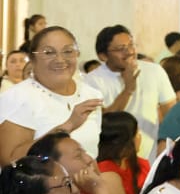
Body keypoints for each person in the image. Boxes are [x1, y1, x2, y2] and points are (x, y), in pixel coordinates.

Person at [0, 26, 104, 165]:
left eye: (68, 51)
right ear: (32, 58)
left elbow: (92, 152)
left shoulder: (91, 94)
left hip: (85, 184)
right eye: (49, 53)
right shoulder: (18, 97)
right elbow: (9, 160)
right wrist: (67, 126)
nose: (60, 59)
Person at [87, 27, 176, 146]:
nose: (129, 52)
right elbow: (103, 123)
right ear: (103, 56)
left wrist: (164, 143)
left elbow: (171, 115)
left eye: (131, 45)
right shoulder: (91, 81)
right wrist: (128, 89)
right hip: (112, 155)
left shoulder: (154, 71)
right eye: (120, 49)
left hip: (151, 154)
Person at [95, 112, 146, 194]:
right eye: (136, 133)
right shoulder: (105, 172)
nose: (140, 137)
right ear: (126, 141)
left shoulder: (141, 164)